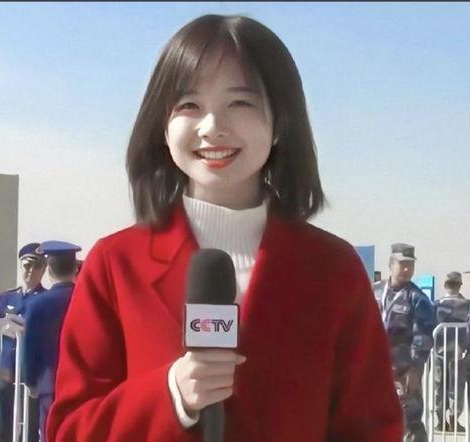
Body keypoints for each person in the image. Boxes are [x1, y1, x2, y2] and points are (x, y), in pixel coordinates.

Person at [47, 14, 403, 441]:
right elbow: (71, 429)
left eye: (240, 103)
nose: (212, 127)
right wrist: (171, 394)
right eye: (189, 105)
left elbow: (371, 426)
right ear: (162, 126)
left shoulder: (333, 268)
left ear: (280, 123)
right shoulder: (115, 264)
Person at [373, 243, 435, 442]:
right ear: (391, 264)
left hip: (404, 370)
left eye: (410, 265)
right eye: (402, 264)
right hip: (376, 368)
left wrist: (415, 369)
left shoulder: (417, 298)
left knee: (409, 420)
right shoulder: (375, 291)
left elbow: (423, 337)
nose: (407, 269)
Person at [0, 243, 46, 442]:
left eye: (37, 265)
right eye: (27, 265)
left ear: (44, 268)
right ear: (20, 265)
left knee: (31, 421)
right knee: (5, 419)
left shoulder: (45, 298)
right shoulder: (7, 297)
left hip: (30, 370)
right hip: (7, 367)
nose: (31, 270)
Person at [23, 241, 81, 442]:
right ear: (75, 268)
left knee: (50, 433)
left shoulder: (37, 303)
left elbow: (30, 346)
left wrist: (30, 380)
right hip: (82, 382)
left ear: (48, 269)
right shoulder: (86, 298)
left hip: (50, 382)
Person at [433, 271, 469, 432]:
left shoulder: (436, 304)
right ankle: (453, 420)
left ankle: (441, 420)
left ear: (445, 285)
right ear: (460, 285)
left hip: (441, 352)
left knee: (440, 386)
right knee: (456, 386)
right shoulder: (467, 305)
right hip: (459, 352)